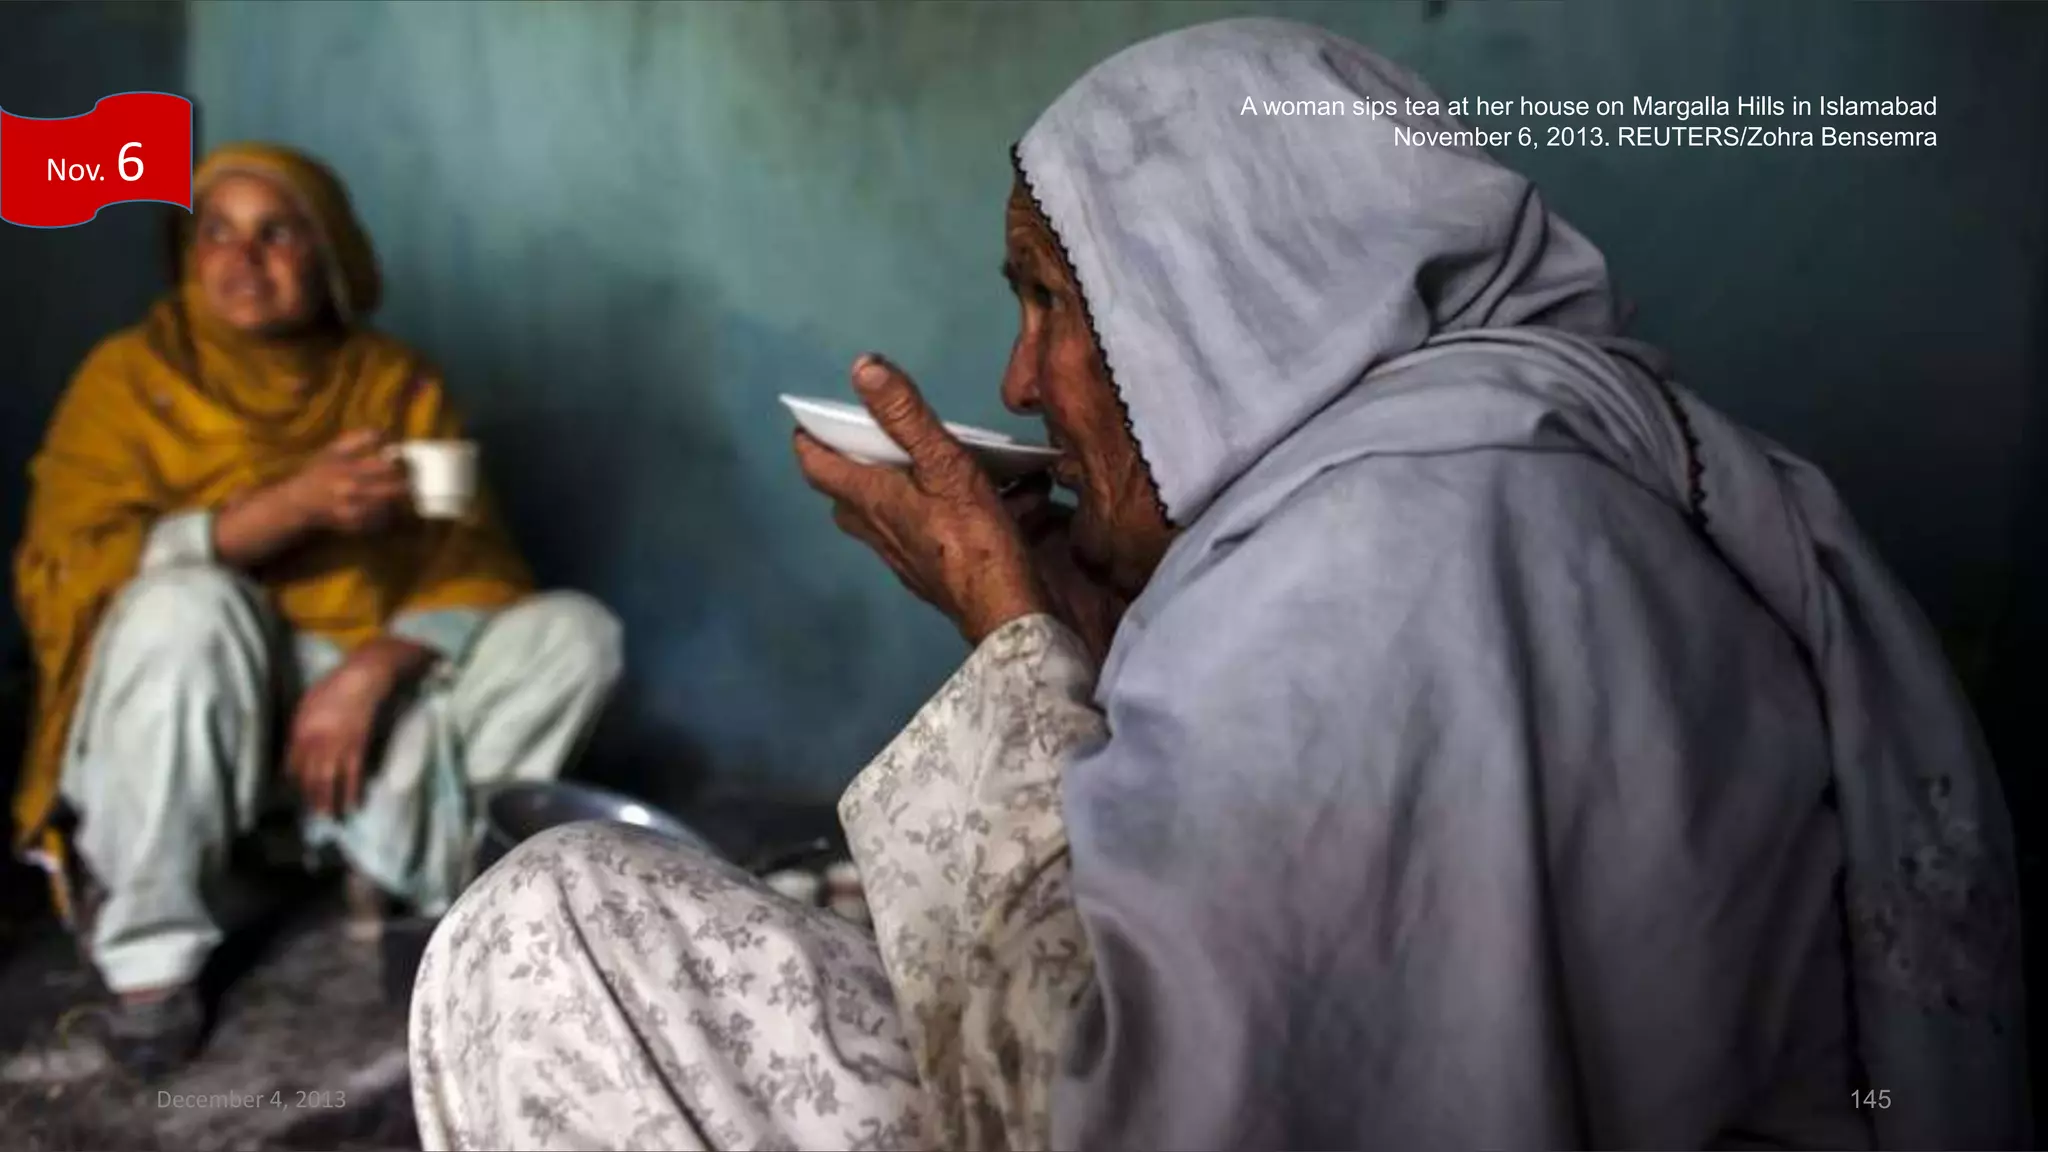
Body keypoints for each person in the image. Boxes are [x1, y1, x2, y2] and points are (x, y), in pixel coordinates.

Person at [406, 19, 2027, 1151]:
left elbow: (1120, 1112)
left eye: (1049, 299)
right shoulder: (1486, 486)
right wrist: (1095, 649)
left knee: (558, 938)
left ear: (1228, 283)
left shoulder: (1416, 554)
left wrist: (1002, 651)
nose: (1019, 375)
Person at [12, 142, 624, 1076]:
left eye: (276, 234)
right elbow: (64, 568)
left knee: (577, 634)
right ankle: (152, 969)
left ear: (329, 252)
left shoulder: (393, 385)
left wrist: (373, 668)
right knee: (187, 608)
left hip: (359, 705)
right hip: (189, 705)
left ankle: (428, 891)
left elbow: (476, 564)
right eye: (215, 232)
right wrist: (282, 512)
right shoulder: (130, 380)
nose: (240, 260)